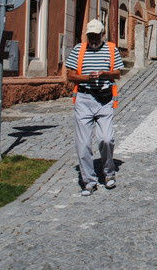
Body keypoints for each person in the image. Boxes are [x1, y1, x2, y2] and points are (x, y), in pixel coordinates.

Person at [66, 19, 123, 196]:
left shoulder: (111, 49)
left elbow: (118, 73)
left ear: (102, 34)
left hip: (104, 99)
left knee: (106, 139)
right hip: (84, 99)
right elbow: (70, 75)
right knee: (83, 144)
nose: (93, 39)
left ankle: (108, 173)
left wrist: (104, 73)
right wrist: (85, 78)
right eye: (90, 36)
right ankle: (88, 181)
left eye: (96, 36)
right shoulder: (79, 49)